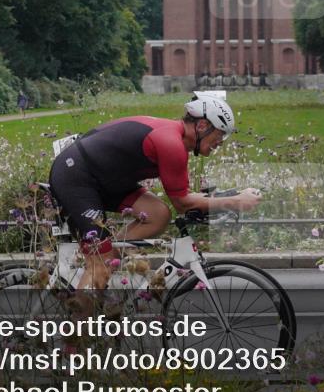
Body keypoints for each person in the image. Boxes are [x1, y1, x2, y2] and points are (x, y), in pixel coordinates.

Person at [48, 95, 262, 289]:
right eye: (220, 135)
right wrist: (235, 201)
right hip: (77, 178)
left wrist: (226, 198)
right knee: (102, 266)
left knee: (157, 214)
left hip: (104, 179)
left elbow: (184, 197)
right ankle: (78, 330)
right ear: (203, 125)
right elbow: (183, 203)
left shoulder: (176, 141)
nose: (220, 143)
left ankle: (106, 255)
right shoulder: (171, 143)